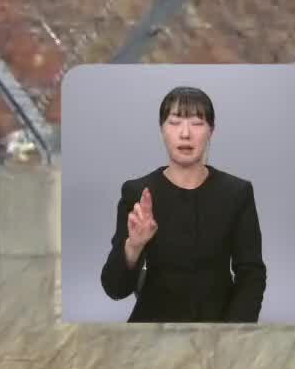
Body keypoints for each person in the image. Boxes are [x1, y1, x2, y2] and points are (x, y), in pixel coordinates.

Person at [99, 85, 266, 322]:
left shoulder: (237, 192)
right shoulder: (137, 192)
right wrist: (133, 246)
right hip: (152, 328)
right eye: (175, 122)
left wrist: (232, 333)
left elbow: (251, 272)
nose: (185, 133)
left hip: (219, 328)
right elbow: (115, 289)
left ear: (211, 130)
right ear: (162, 129)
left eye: (197, 123)